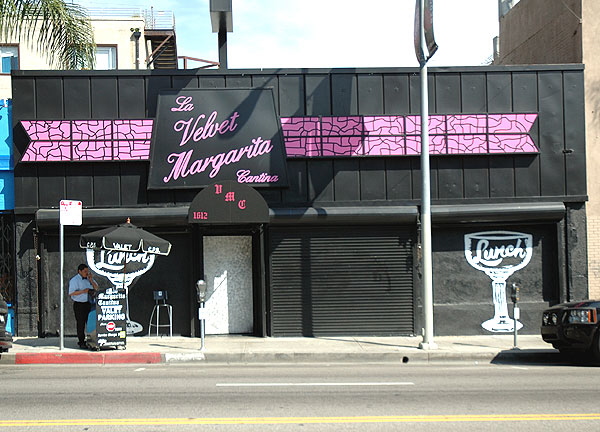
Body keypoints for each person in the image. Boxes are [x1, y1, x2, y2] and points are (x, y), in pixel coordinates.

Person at [68, 264, 98, 349]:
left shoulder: (88, 279)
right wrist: (84, 291)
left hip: (89, 303)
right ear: (79, 271)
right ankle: (81, 341)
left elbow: (96, 287)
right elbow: (71, 293)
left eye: (87, 271)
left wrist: (91, 279)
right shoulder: (74, 280)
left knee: (90, 322)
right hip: (79, 304)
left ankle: (91, 340)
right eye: (85, 271)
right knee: (81, 323)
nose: (86, 273)